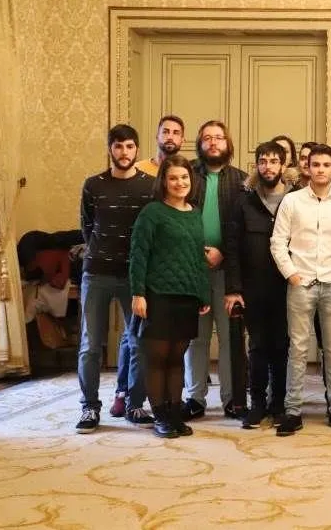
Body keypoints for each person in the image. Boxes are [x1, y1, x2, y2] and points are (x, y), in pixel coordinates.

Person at [271, 143, 331, 435]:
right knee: (297, 349)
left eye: (326, 165)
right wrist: (292, 274)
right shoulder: (292, 201)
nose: (320, 170)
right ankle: (293, 411)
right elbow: (277, 242)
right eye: (315, 165)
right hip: (301, 283)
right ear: (308, 168)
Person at [76, 124, 155, 433]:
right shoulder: (92, 185)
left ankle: (135, 404)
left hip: (133, 276)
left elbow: (150, 232)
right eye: (119, 146)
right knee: (91, 345)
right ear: (110, 149)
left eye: (130, 147)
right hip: (96, 273)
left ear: (137, 150)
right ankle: (89, 408)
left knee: (139, 343)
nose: (124, 152)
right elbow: (87, 227)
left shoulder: (149, 186)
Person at [129, 155, 210, 438]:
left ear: (192, 180)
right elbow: (138, 255)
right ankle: (161, 416)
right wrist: (138, 293)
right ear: (164, 181)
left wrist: (203, 293)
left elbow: (198, 257)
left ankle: (175, 414)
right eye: (173, 178)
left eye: (184, 177)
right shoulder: (152, 213)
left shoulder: (195, 213)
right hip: (157, 294)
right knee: (158, 359)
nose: (180, 183)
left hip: (187, 296)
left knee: (177, 357)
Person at [181, 120, 248, 421]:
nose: (213, 143)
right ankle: (194, 398)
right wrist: (198, 251)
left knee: (231, 336)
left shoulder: (243, 181)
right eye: (206, 138)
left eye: (218, 138)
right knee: (195, 337)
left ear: (227, 143)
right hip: (190, 269)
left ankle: (232, 399)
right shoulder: (185, 176)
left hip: (228, 271)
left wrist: (222, 253)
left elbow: (247, 230)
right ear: (200, 143)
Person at [224, 141, 293, 429]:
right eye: (262, 161)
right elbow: (231, 247)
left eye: (274, 161)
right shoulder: (244, 200)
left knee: (282, 346)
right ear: (256, 165)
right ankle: (257, 404)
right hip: (253, 287)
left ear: (283, 165)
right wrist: (233, 289)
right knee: (258, 347)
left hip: (288, 286)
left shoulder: (295, 198)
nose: (268, 167)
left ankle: (279, 404)